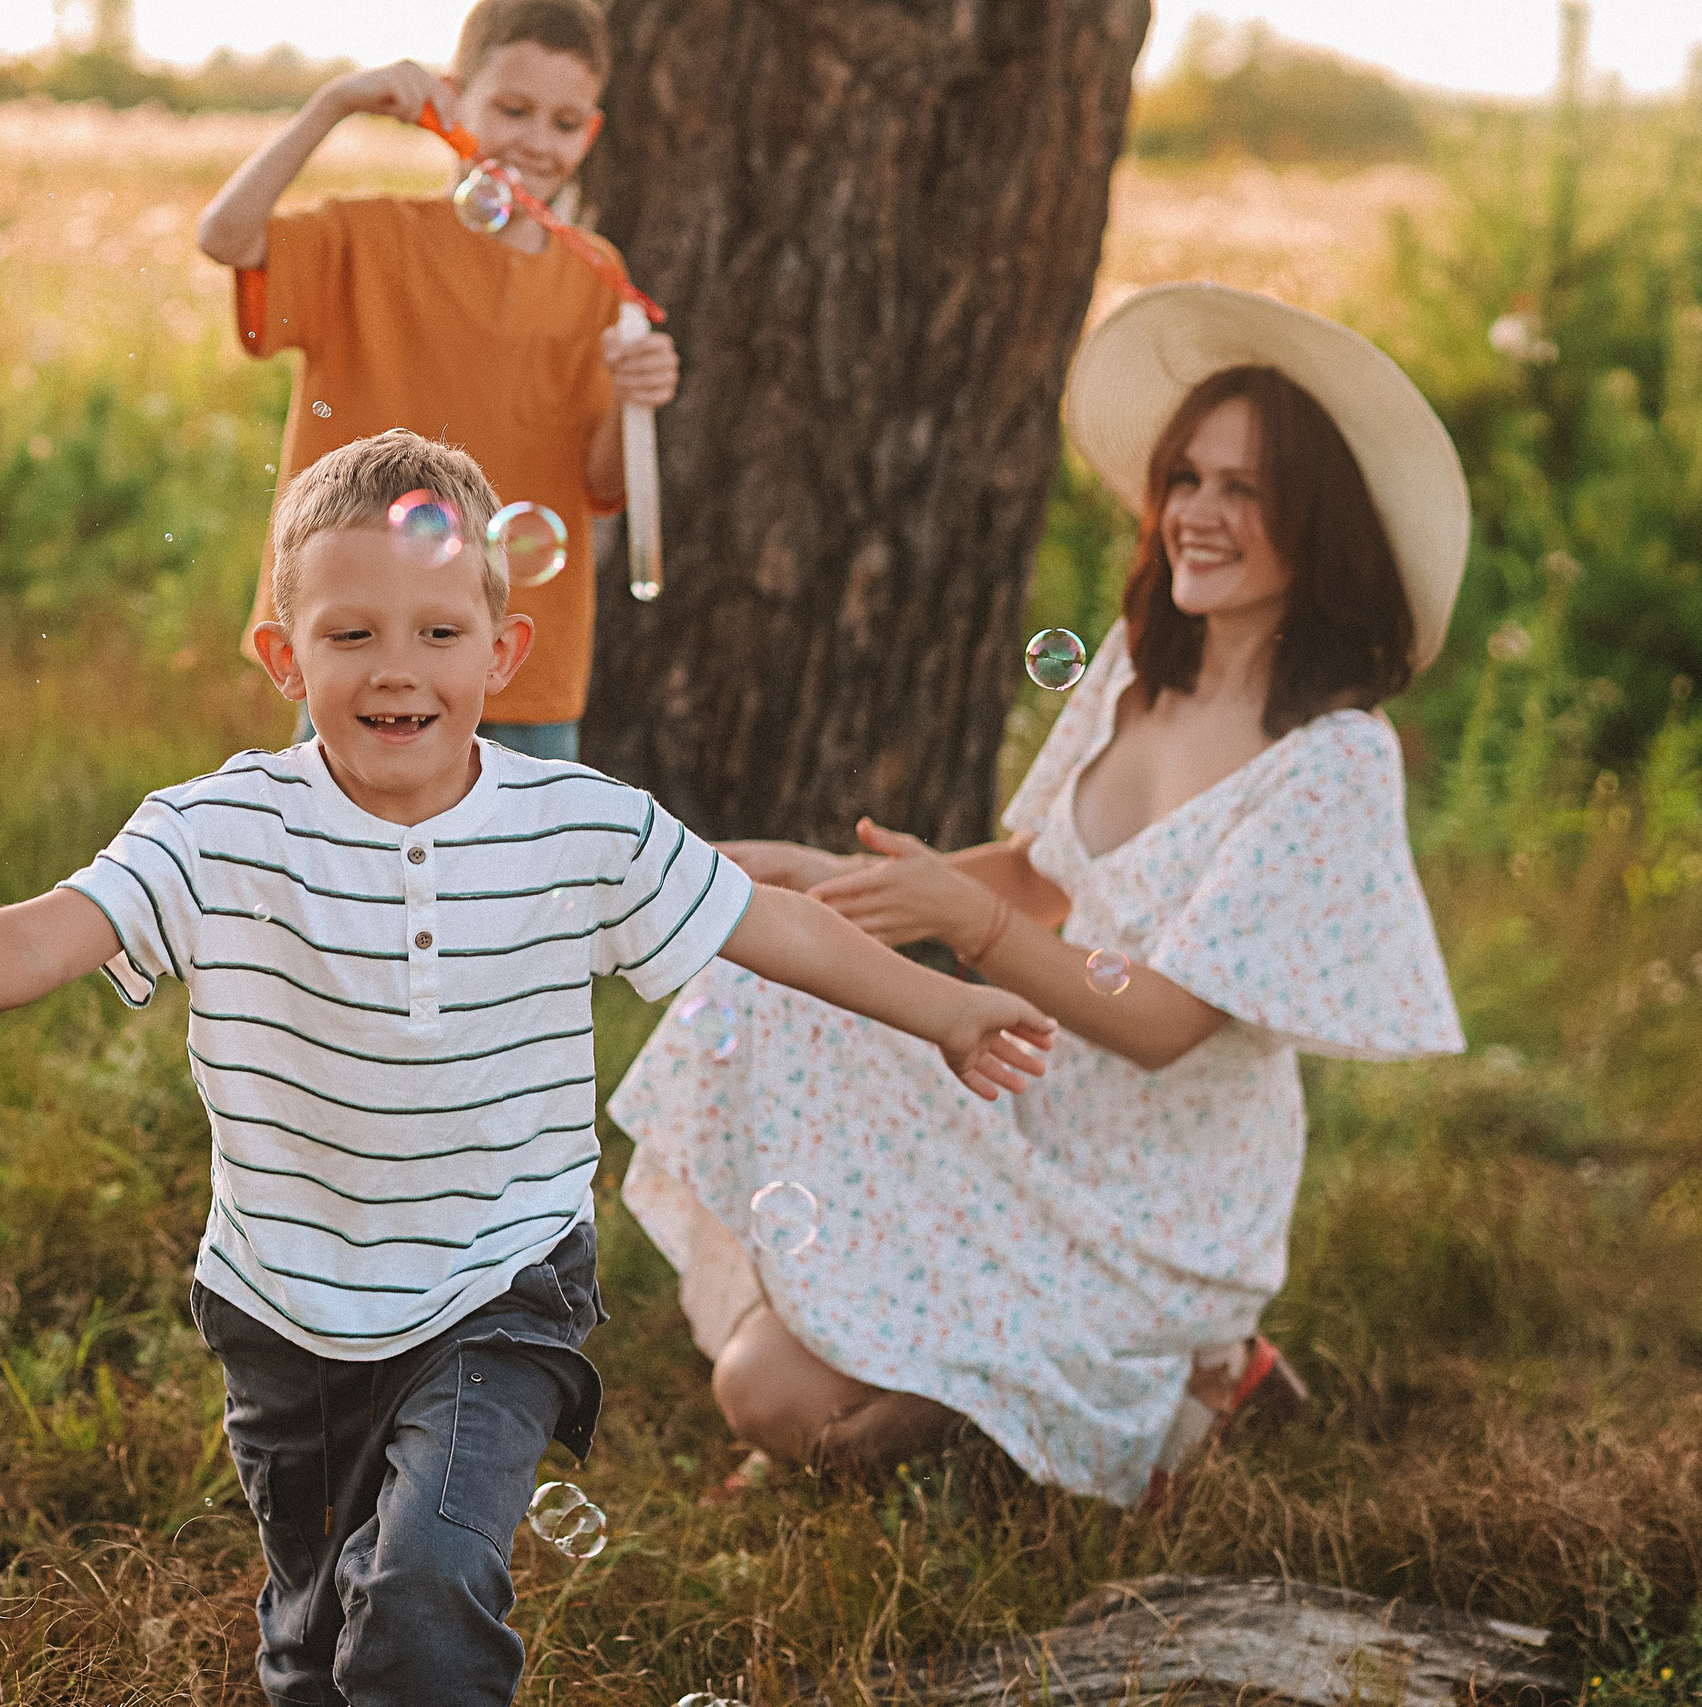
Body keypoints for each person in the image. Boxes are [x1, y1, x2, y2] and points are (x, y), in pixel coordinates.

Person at [0, 429, 1052, 1706]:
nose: (395, 667)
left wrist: (939, 1004)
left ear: (503, 651)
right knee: (313, 1629)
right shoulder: (221, 828)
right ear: (282, 655)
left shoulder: (580, 828)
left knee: (422, 1584)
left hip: (499, 1282)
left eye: (438, 632)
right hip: (284, 1300)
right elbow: (57, 927)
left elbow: (776, 923)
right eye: (350, 634)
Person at [608, 282, 1471, 1509]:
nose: (1198, 515)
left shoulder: (1331, 758)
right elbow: (1034, 874)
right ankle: (1088, 1402)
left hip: (1157, 1197)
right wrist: (840, 891)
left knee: (787, 1409)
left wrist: (964, 924)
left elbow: (1163, 1021)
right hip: (1026, 1099)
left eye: (1244, 490)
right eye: (1186, 479)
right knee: (763, 1375)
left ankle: (1175, 1366)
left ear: (1319, 524)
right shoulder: (1136, 667)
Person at [195, 0, 674, 765]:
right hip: (361, 644)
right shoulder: (368, 238)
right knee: (345, 870)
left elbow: (600, 477)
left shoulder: (596, 274)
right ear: (454, 101)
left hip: (520, 655)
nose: (535, 142)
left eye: (563, 122)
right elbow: (224, 235)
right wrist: (337, 102)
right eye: (512, 109)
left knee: (511, 881)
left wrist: (635, 399)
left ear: (590, 133)